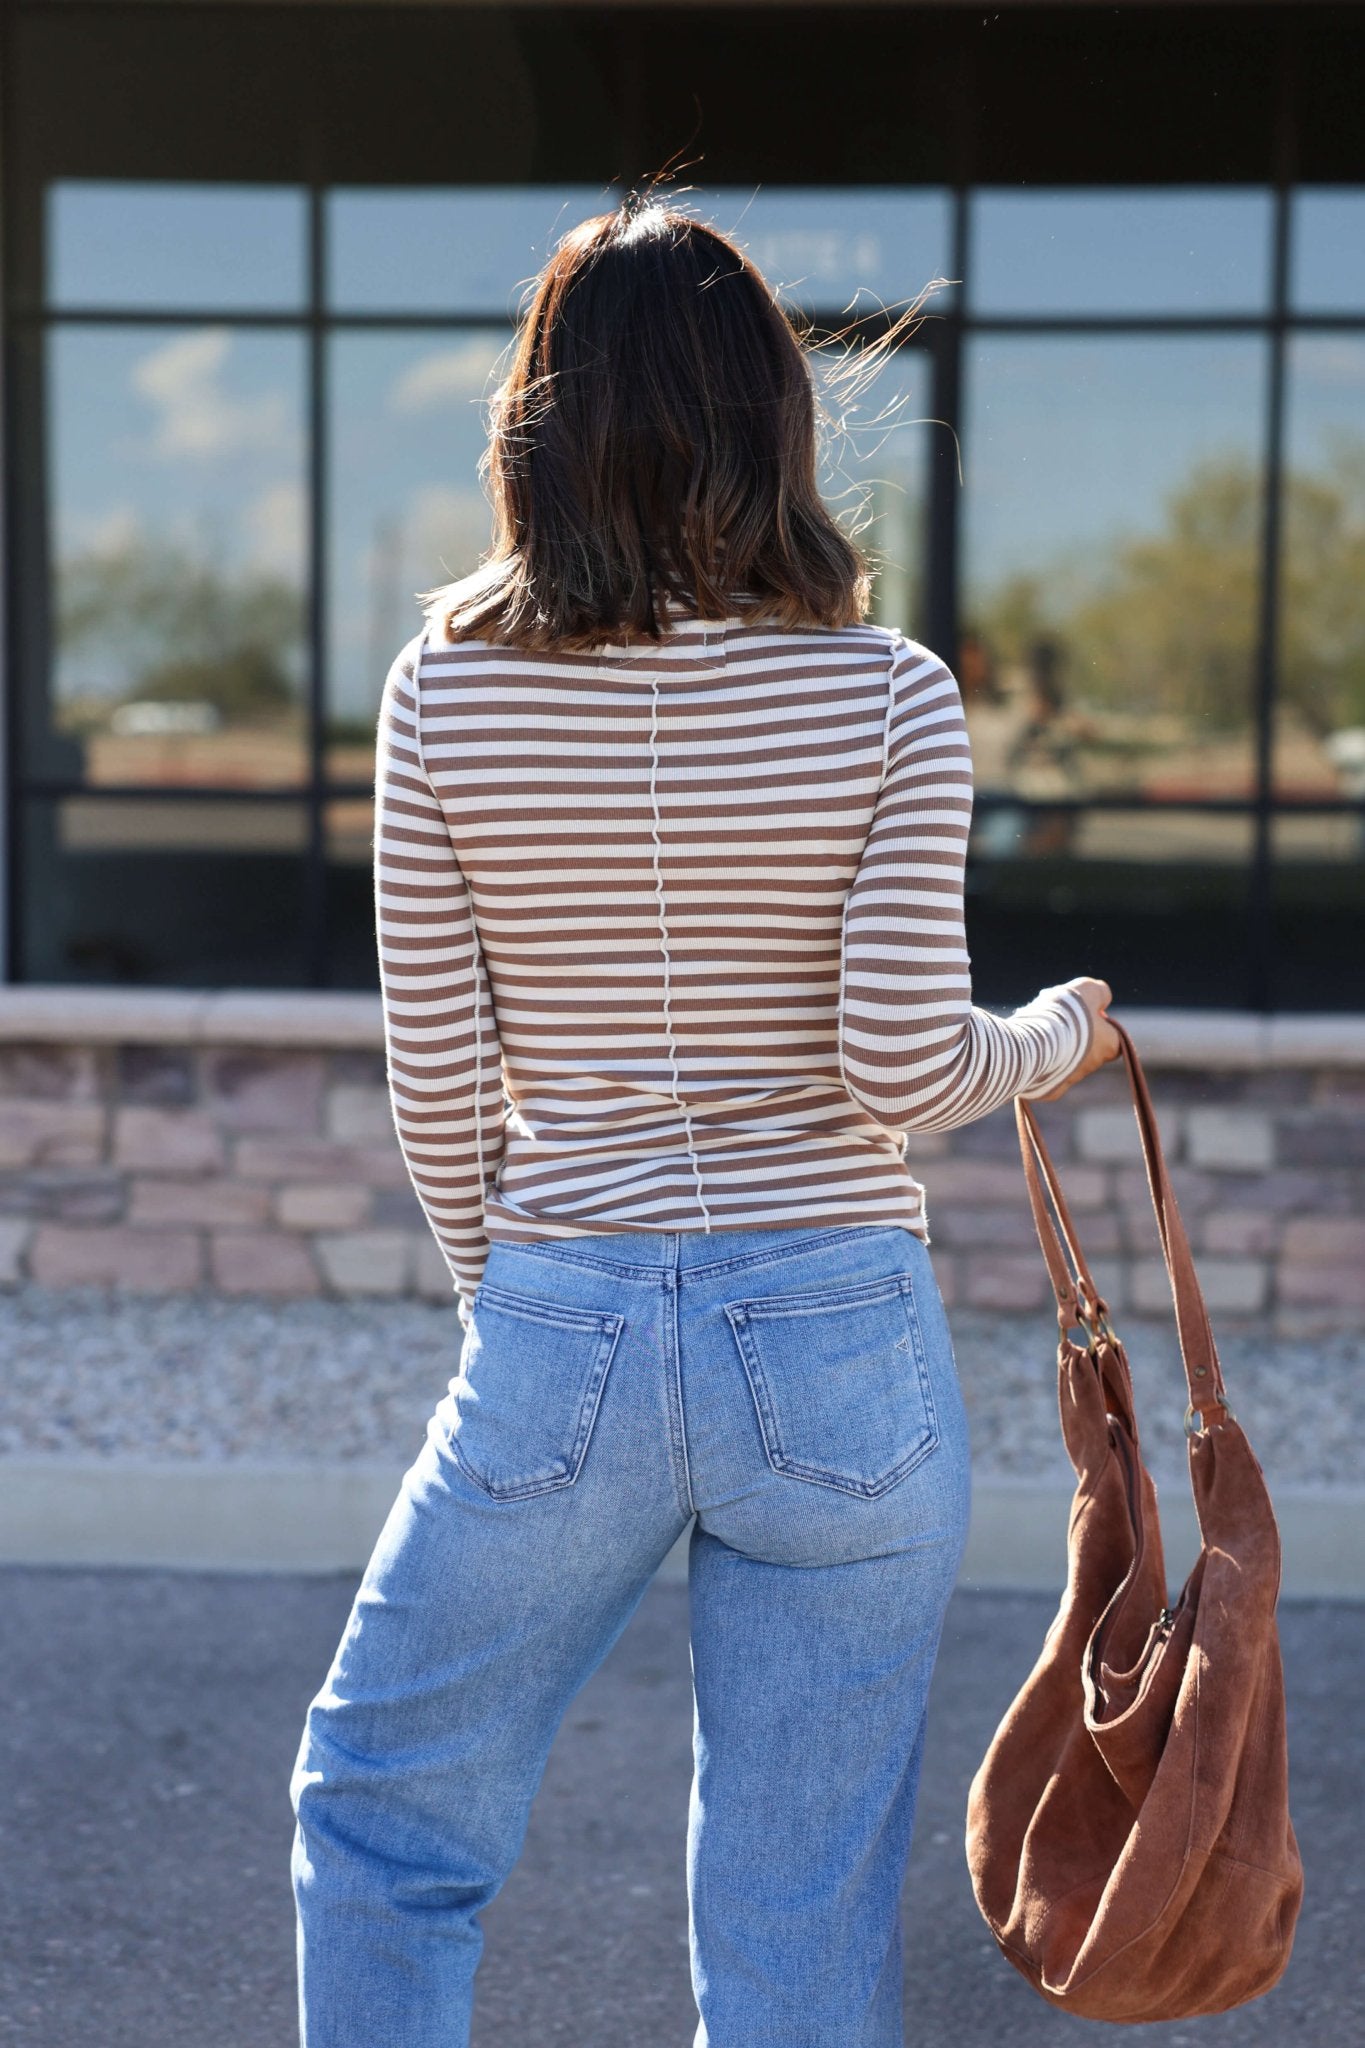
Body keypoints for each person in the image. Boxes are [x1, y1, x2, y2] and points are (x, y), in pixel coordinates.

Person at [288, 190, 1121, 2048]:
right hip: (838, 1335)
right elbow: (907, 1071)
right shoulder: (888, 696)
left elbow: (438, 1092)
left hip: (561, 1311)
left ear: (542, 422)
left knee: (383, 1818)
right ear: (772, 418)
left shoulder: (445, 695)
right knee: (795, 1916)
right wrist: (1063, 1031)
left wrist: (512, 1298)